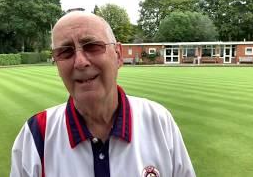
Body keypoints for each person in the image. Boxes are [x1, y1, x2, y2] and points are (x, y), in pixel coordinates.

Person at [10, 11, 196, 177]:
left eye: (92, 46)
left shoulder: (158, 121)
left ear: (118, 55)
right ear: (57, 64)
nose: (80, 62)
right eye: (65, 52)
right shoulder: (36, 135)